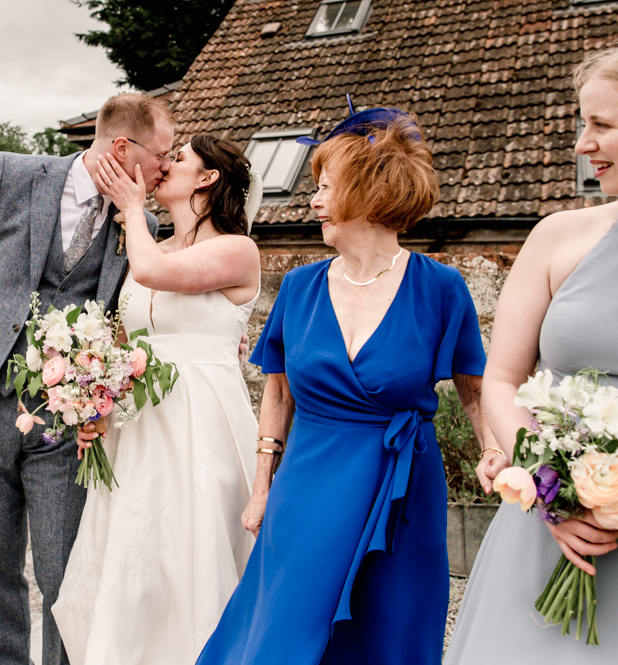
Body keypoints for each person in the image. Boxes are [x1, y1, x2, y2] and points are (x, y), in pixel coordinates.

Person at [196, 108, 498, 665]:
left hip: (403, 489)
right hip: (309, 483)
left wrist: (495, 452)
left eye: (326, 188)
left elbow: (476, 389)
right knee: (280, 630)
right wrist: (262, 488)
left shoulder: (441, 288)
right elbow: (278, 393)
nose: (313, 201)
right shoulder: (299, 286)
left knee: (389, 632)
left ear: (368, 191)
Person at [0, 92, 172, 665]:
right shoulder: (15, 173)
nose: (165, 166)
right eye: (162, 154)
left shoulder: (141, 223)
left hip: (63, 422)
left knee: (63, 574)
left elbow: (129, 315)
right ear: (124, 148)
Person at [446, 38, 618, 662]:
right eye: (582, 123)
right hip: (548, 524)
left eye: (603, 124)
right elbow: (503, 379)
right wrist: (549, 487)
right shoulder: (560, 235)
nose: (583, 144)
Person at [50, 135, 263, 664]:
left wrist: (131, 210)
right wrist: (93, 405)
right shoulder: (153, 245)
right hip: (140, 422)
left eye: (179, 159)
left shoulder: (237, 249)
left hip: (202, 421)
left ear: (208, 178)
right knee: (137, 561)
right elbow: (126, 342)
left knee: (196, 550)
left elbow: (152, 275)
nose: (164, 166)